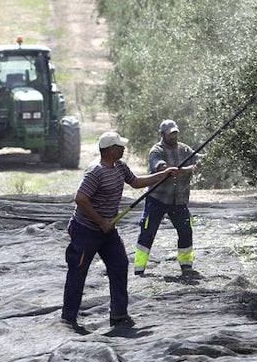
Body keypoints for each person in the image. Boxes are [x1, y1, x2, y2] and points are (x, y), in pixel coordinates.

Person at [61, 131, 176, 330]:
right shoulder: (95, 171)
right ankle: (69, 318)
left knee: (120, 264)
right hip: (86, 230)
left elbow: (136, 182)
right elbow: (80, 198)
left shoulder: (120, 166)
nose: (124, 148)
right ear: (110, 150)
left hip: (108, 231)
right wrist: (100, 220)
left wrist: (162, 175)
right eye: (120, 146)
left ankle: (119, 314)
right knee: (78, 272)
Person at [134, 119, 201, 279]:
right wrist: (188, 169)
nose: (174, 136)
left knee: (186, 231)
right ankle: (139, 269)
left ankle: (186, 266)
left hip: (179, 201)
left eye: (175, 133)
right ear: (162, 134)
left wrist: (205, 159)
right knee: (147, 232)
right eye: (171, 134)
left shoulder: (184, 149)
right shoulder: (156, 150)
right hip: (156, 199)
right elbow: (163, 168)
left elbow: (197, 157)